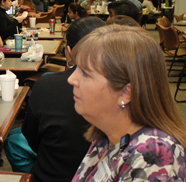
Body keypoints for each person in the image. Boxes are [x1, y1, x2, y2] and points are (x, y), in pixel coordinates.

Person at [69, 25, 186, 181]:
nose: (71, 79)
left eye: (85, 73)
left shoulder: (153, 158)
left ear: (125, 93)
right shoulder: (110, 133)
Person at [4, 17, 105, 182]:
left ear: (70, 51)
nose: (75, 81)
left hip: (51, 175)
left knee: (15, 140)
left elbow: (32, 136)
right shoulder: (121, 90)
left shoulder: (48, 85)